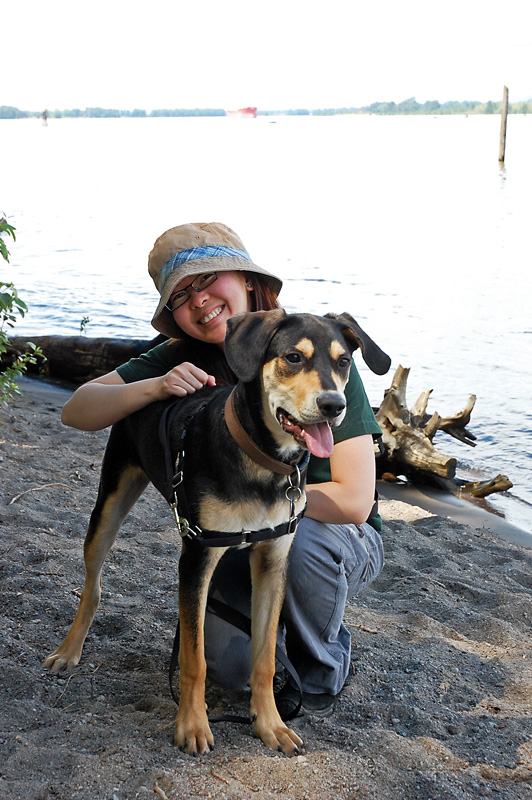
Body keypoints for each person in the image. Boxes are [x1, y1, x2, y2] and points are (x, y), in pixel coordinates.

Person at [62, 221, 384, 718]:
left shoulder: (323, 356)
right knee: (224, 665)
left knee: (296, 542)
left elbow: (356, 501)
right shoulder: (181, 356)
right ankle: (94, 611)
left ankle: (319, 665)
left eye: (209, 280)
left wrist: (274, 502)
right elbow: (76, 410)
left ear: (248, 281)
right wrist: (155, 387)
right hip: (231, 519)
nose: (199, 300)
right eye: (181, 295)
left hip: (336, 532)